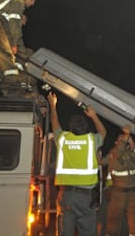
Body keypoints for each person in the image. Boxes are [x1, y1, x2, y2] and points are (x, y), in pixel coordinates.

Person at [47, 92, 107, 236]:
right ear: (85, 127)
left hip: (65, 196)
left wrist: (52, 105)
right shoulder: (91, 140)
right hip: (84, 198)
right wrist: (93, 115)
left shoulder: (63, 139)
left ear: (71, 129)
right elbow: (103, 132)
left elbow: (54, 123)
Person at [103, 125, 135, 236]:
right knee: (114, 223)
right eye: (122, 141)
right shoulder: (114, 153)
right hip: (118, 193)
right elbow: (117, 152)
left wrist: (132, 139)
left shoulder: (131, 154)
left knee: (134, 223)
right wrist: (126, 135)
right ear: (117, 142)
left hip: (132, 193)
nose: (124, 142)